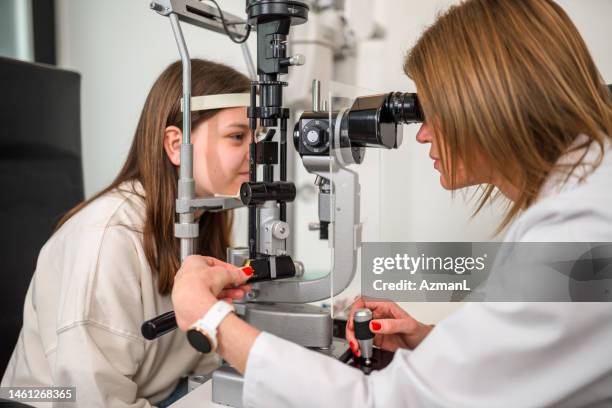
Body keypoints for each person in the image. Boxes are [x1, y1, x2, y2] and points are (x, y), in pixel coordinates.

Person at [170, 1, 612, 407]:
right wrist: (431, 343)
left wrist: (211, 322)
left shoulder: (578, 230)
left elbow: (384, 403)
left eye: (433, 110)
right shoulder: (586, 196)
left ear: (486, 101)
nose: (422, 134)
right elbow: (536, 356)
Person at [1, 59, 254, 407]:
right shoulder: (108, 236)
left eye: (259, 136)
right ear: (176, 145)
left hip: (155, 394)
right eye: (238, 136)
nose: (256, 154)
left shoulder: (203, 220)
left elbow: (200, 355)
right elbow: (90, 397)